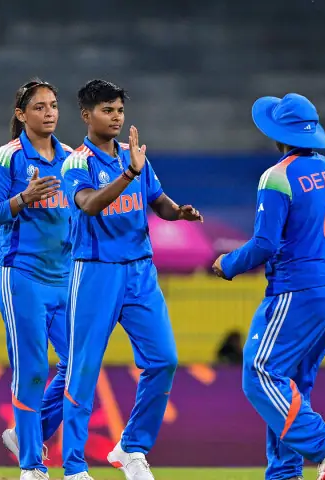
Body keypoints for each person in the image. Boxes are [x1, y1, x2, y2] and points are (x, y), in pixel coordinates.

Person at [60, 79, 203, 480]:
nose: (116, 117)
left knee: (164, 359)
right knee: (83, 367)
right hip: (95, 271)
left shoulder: (133, 156)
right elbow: (88, 205)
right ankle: (73, 468)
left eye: (120, 110)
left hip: (140, 270)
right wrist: (127, 173)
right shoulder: (77, 163)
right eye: (107, 110)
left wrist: (179, 212)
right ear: (87, 116)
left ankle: (132, 448)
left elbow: (157, 200)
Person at [211, 93, 325, 480]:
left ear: (278, 132)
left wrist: (228, 264)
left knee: (259, 372)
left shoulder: (277, 176)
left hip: (298, 291)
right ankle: (284, 473)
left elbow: (264, 244)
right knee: (290, 387)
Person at [0, 79, 73, 480]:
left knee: (80, 365)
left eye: (53, 105)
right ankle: (32, 466)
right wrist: (23, 199)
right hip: (23, 276)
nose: (49, 112)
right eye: (39, 107)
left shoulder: (72, 158)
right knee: (33, 368)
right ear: (21, 115)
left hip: (67, 276)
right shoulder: (8, 158)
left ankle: (27, 436)